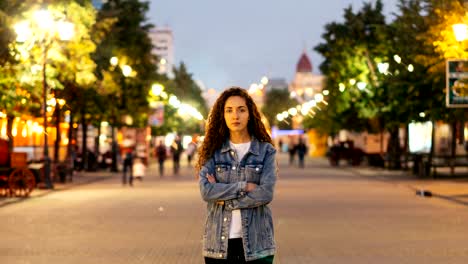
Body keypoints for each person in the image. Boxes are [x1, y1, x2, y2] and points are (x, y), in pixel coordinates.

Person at [197, 87, 277, 263]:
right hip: (218, 245)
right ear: (222, 115)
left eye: (241, 110)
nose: (235, 116)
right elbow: (206, 191)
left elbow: (266, 193)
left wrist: (225, 199)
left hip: (257, 244)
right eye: (229, 110)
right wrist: (245, 187)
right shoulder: (213, 152)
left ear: (250, 114)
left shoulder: (266, 151)